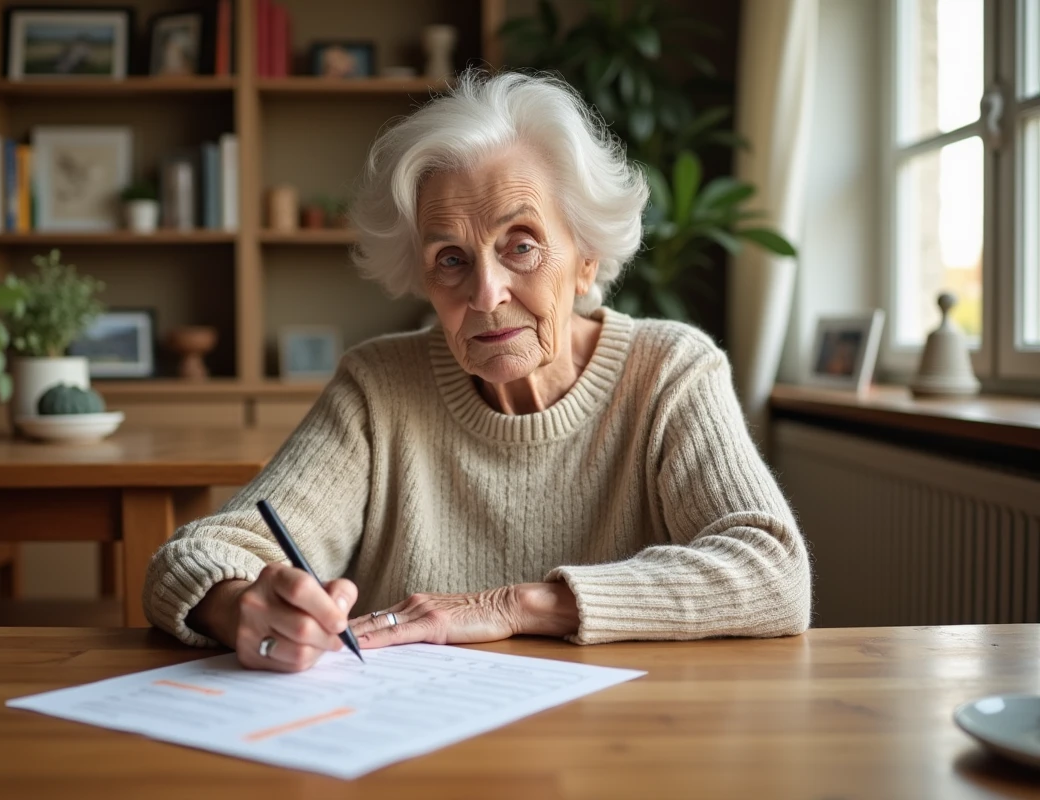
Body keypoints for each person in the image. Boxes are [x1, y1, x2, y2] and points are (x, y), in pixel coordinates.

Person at [144, 71, 811, 673]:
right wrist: (241, 606)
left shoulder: (669, 372)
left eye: (520, 246)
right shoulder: (379, 387)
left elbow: (773, 573)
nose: (485, 293)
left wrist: (514, 605)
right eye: (451, 260)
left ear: (586, 257)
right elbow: (199, 554)